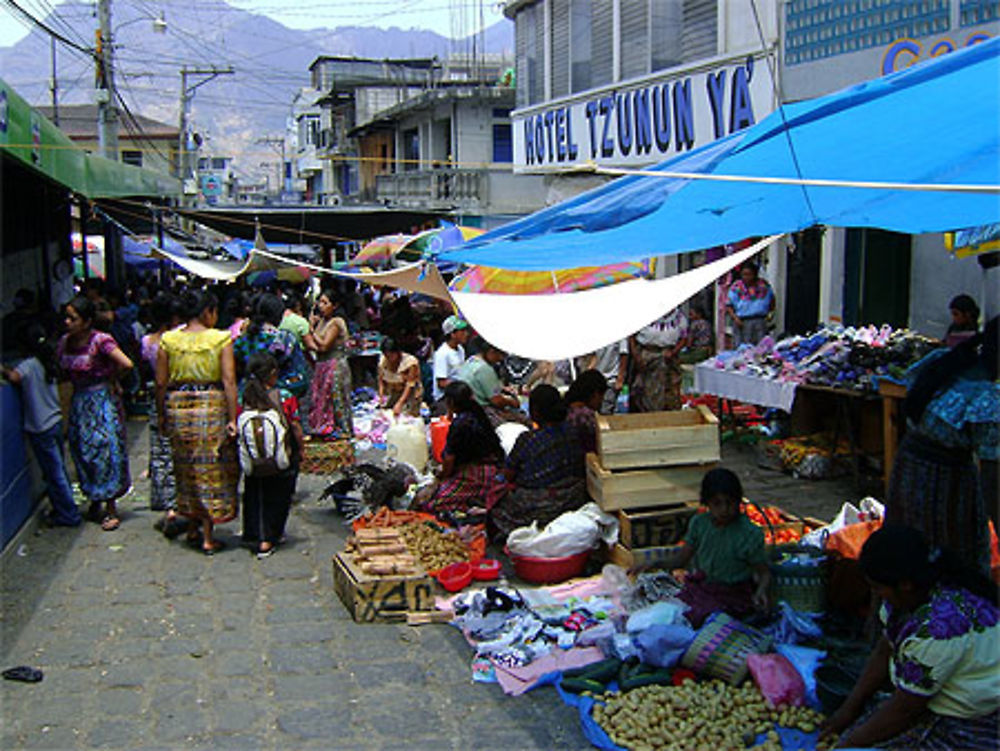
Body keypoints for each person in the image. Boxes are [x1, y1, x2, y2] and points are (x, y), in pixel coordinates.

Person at [820, 525, 999, 749]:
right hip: (928, 697)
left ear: (904, 585)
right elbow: (885, 650)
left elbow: (906, 709)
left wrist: (847, 745)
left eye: (878, 587)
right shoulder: (907, 598)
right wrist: (848, 710)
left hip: (974, 717)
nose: (875, 593)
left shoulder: (938, 629)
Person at [886, 316, 998, 576]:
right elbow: (992, 479)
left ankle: (891, 610)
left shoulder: (947, 361)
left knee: (904, 549)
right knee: (946, 557)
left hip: (909, 465)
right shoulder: (987, 398)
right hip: (945, 482)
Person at [156, 290, 239, 555]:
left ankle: (191, 525)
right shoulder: (220, 339)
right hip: (210, 406)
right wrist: (232, 417)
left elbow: (160, 382)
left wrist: (161, 414)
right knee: (211, 469)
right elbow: (228, 381)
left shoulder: (168, 340)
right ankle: (207, 536)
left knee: (185, 467)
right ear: (208, 312)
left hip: (178, 407)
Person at [56, 296, 133, 531]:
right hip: (79, 403)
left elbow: (126, 364)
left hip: (101, 402)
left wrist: (111, 379)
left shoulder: (101, 341)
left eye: (73, 318)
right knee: (82, 450)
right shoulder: (64, 343)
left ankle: (110, 506)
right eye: (67, 317)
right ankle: (94, 498)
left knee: (105, 450)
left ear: (87, 321)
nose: (68, 322)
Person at [662, 468, 770, 628]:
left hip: (733, 593)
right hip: (704, 586)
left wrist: (761, 592)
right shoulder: (700, 524)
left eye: (730, 502)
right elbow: (682, 558)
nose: (724, 509)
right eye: (717, 503)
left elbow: (764, 572)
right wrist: (653, 565)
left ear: (739, 502)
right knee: (673, 609)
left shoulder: (749, 534)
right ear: (707, 503)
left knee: (704, 617)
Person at [2, 323, 82, 527]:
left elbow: (14, 377)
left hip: (41, 427)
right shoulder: (47, 362)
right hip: (54, 421)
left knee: (54, 472)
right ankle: (64, 506)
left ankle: (69, 514)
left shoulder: (28, 366)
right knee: (58, 469)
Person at [489, 384, 587, 542]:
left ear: (535, 411)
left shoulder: (528, 440)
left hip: (537, 505)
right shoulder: (574, 432)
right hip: (573, 500)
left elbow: (507, 475)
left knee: (496, 501)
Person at [239, 352, 303, 559]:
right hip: (279, 457)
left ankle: (253, 534)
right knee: (278, 495)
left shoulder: (245, 396)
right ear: (273, 374)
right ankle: (269, 537)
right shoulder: (284, 396)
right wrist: (301, 449)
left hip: (253, 459)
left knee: (254, 492)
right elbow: (295, 425)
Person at [412, 381, 507, 521]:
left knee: (430, 503)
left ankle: (470, 505)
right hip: (496, 470)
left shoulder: (461, 423)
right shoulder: (479, 413)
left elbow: (449, 461)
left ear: (450, 402)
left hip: (479, 473)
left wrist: (440, 479)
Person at [140, 293, 181, 534]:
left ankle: (169, 507)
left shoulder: (148, 342)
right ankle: (183, 505)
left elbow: (154, 380)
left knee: (162, 454)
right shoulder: (179, 341)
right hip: (180, 398)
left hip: (159, 401)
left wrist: (158, 409)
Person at [233, 293, 310, 399]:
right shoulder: (285, 339)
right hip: (277, 398)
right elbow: (299, 376)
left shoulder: (243, 340)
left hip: (246, 396)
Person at [306, 287, 353, 438]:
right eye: (320, 302)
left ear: (335, 306)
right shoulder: (322, 322)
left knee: (336, 399)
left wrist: (311, 329)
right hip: (322, 365)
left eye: (325, 303)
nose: (321, 306)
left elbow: (325, 344)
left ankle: (343, 431)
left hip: (334, 366)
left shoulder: (336, 323)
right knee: (321, 399)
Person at [629, 308, 688, 412]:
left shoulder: (679, 317)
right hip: (647, 355)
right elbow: (631, 337)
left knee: (670, 392)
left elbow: (684, 338)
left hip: (668, 357)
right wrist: (636, 356)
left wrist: (673, 352)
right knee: (645, 392)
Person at [455, 342, 527, 427]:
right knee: (523, 421)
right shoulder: (484, 369)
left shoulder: (471, 360)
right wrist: (512, 401)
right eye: (500, 355)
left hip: (467, 407)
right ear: (491, 352)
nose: (500, 359)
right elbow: (496, 401)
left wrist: (502, 388)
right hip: (482, 410)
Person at [726, 260, 775, 346]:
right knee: (742, 349)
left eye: (749, 274)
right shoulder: (737, 287)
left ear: (755, 274)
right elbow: (729, 305)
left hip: (760, 320)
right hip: (742, 321)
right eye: (744, 274)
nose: (747, 277)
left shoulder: (763, 285)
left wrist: (769, 315)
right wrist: (735, 318)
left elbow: (772, 300)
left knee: (760, 348)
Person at [564, 369, 608, 456]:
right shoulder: (587, 416)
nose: (601, 401)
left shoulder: (566, 410)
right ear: (595, 394)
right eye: (601, 396)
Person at [377, 337, 423, 417]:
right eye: (386, 356)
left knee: (407, 417)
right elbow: (381, 381)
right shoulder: (383, 362)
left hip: (410, 395)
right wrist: (381, 396)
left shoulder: (410, 363)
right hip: (393, 392)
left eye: (391, 355)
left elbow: (410, 384)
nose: (389, 358)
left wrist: (400, 403)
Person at [431, 315, 469, 412]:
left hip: (459, 396)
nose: (466, 334)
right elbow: (442, 382)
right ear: (453, 334)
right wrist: (462, 386)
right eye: (462, 331)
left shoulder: (460, 349)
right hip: (446, 399)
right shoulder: (442, 354)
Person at [578, 340, 628, 414]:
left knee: (606, 410)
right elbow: (594, 356)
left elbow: (624, 355)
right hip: (596, 379)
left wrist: (620, 378)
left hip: (611, 378)